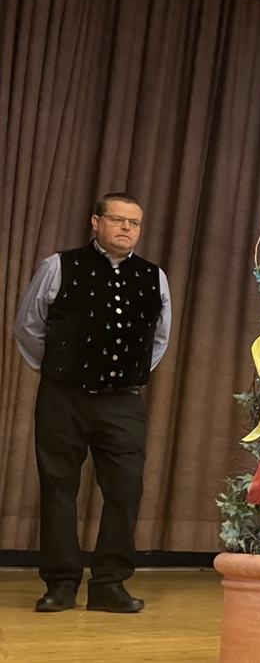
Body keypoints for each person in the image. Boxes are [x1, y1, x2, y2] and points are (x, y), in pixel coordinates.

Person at [12, 193, 171, 613]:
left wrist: (126, 376)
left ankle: (109, 585)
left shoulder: (154, 276)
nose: (126, 228)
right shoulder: (58, 266)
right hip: (63, 397)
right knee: (58, 488)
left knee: (125, 492)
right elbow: (28, 326)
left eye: (134, 223)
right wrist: (59, 370)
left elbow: (158, 339)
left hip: (123, 403)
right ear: (96, 222)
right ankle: (61, 584)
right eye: (118, 220)